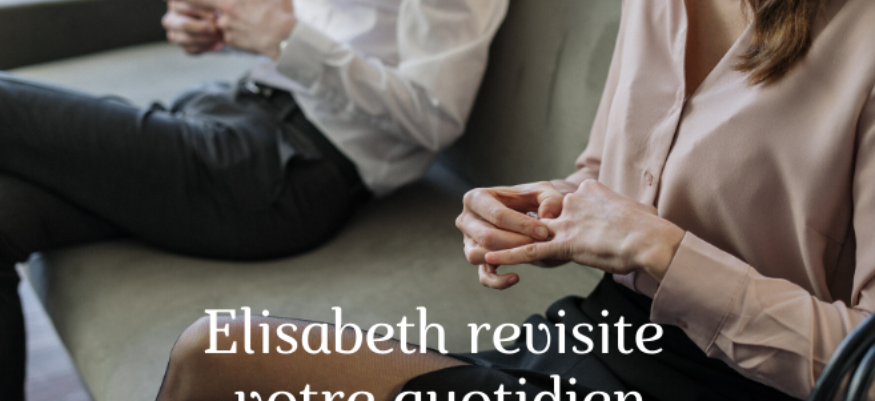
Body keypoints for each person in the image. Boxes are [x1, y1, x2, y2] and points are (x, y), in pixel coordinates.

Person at [154, 0, 875, 400]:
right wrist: (540, 212)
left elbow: (863, 369)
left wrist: (661, 249)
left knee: (220, 356)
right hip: (598, 337)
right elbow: (606, 174)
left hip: (734, 386)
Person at [0, 0, 508, 398]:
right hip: (228, 112)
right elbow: (316, 28)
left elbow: (434, 115)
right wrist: (221, 29)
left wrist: (287, 39)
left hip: (279, 168)